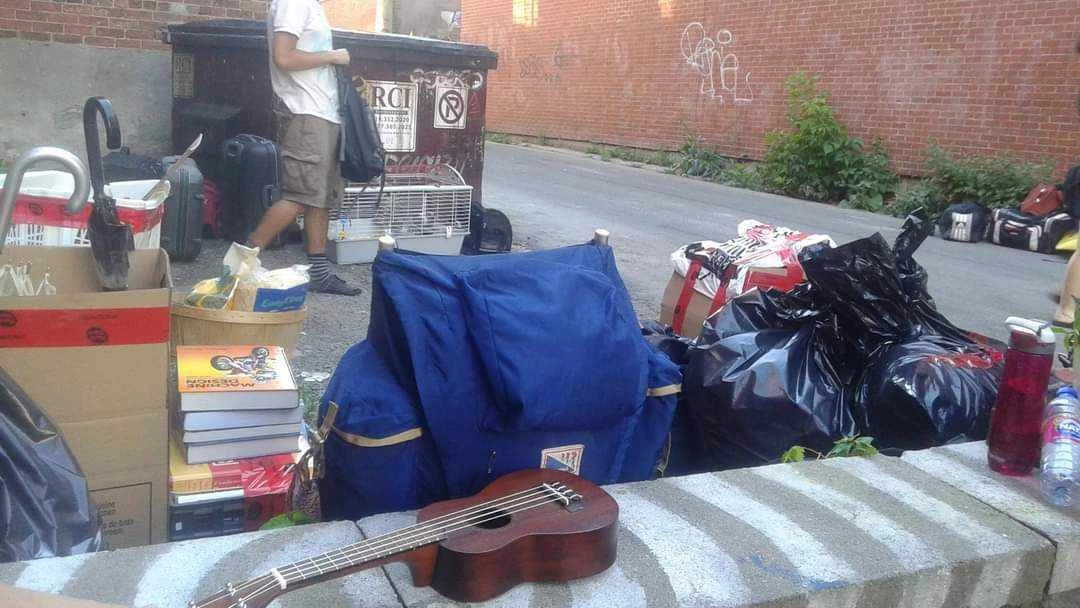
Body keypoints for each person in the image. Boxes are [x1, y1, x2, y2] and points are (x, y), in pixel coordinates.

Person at [248, 0, 361, 295]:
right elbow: (284, 57)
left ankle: (319, 273)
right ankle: (238, 265)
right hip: (306, 115)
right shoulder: (294, 3)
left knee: (319, 197)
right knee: (299, 195)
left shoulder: (310, 5)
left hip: (322, 113)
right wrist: (332, 56)